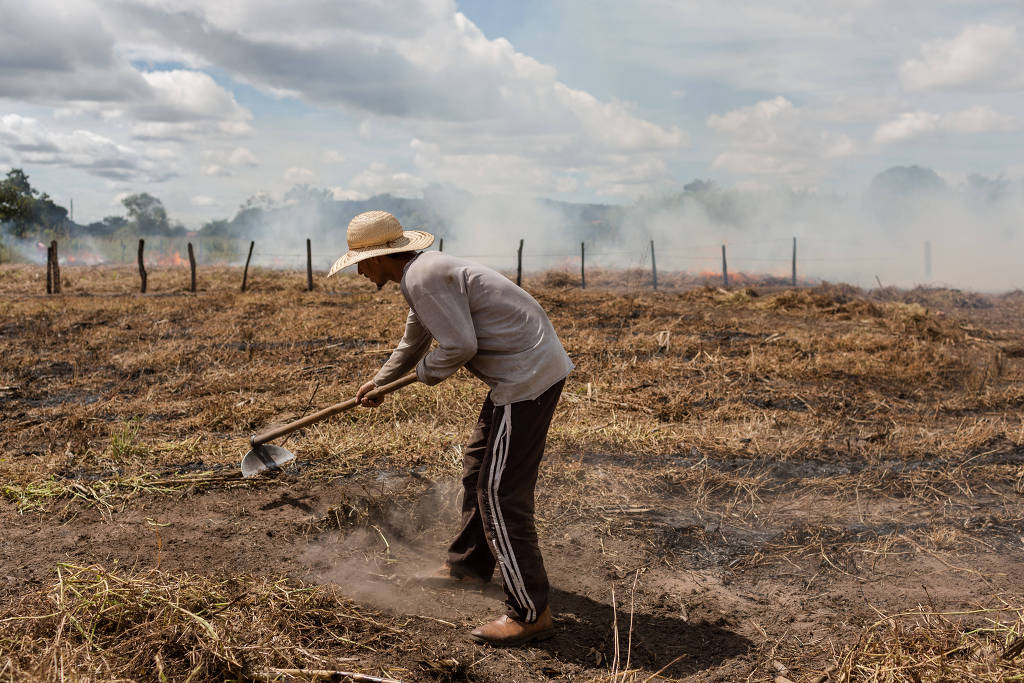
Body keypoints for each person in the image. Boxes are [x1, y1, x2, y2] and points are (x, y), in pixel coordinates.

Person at [328, 210, 573, 646]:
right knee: (478, 465)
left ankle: (530, 612)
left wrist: (423, 375)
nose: (361, 272)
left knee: (500, 493)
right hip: (517, 375)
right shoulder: (422, 274)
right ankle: (467, 566)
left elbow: (460, 346)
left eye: (361, 263)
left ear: (383, 256)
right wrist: (382, 382)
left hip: (526, 378)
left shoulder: (423, 276)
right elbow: (415, 339)